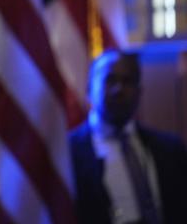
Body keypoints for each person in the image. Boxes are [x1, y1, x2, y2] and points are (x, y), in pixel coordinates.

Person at [69, 50, 187, 223]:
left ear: (140, 92)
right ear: (89, 89)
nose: (119, 89)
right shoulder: (67, 154)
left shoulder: (170, 149)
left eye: (128, 81)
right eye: (110, 80)